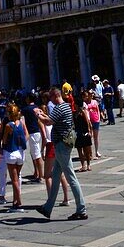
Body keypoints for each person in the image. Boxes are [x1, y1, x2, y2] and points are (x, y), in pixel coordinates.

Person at [35, 87, 87, 221]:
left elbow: (48, 121)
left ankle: (81, 209)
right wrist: (43, 114)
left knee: (71, 177)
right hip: (64, 144)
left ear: (54, 96)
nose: (50, 101)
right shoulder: (66, 106)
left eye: (50, 98)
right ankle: (47, 207)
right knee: (56, 177)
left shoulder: (58, 108)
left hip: (61, 146)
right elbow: (51, 119)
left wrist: (38, 114)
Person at [1, 103, 29, 210]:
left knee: (14, 180)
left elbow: (4, 139)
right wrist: (22, 142)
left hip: (11, 152)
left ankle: (19, 202)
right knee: (17, 176)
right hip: (21, 152)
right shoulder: (21, 123)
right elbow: (27, 135)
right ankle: (15, 201)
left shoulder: (8, 125)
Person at [21, 93, 44, 183]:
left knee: (36, 155)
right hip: (37, 132)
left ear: (28, 99)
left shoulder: (26, 109)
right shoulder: (37, 107)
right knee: (34, 153)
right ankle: (37, 172)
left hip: (31, 133)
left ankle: (41, 176)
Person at [74, 98, 93, 172]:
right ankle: (83, 165)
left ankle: (88, 165)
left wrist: (89, 131)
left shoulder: (83, 112)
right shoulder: (74, 113)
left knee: (86, 150)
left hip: (84, 133)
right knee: (79, 150)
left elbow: (88, 123)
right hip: (78, 133)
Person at [86, 91, 102, 158]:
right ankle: (90, 152)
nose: (92, 95)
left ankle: (96, 151)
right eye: (90, 94)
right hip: (89, 121)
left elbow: (98, 110)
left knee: (96, 137)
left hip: (95, 120)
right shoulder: (86, 103)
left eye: (92, 93)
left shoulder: (95, 102)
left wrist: (99, 118)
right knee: (90, 137)